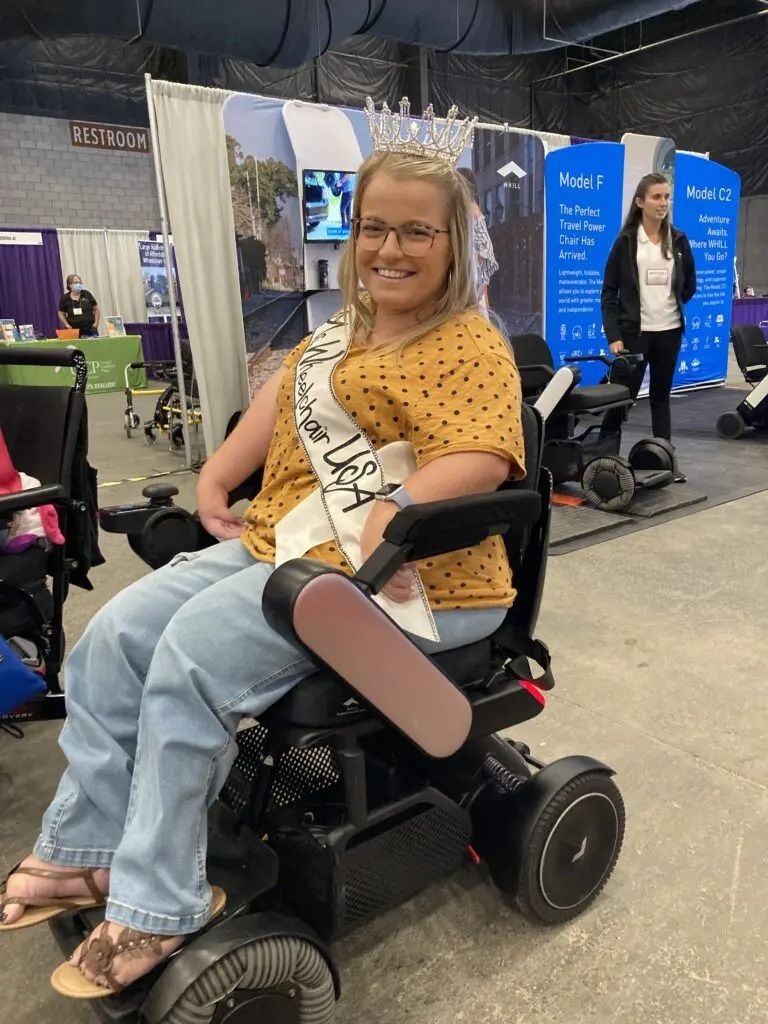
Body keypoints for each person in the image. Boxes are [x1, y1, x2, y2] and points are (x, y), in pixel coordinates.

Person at [0, 137, 525, 998]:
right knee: (114, 639)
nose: (389, 249)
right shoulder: (335, 333)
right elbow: (276, 406)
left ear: (455, 244)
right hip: (287, 549)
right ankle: (90, 851)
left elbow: (485, 455)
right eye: (373, 228)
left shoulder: (471, 343)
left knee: (193, 658)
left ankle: (161, 904)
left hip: (416, 578)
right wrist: (214, 473)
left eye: (416, 233)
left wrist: (398, 509)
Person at [601, 173, 696, 480]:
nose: (663, 203)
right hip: (634, 335)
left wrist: (673, 299)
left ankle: (665, 461)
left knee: (660, 397)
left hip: (669, 331)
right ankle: (604, 458)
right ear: (640, 202)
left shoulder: (678, 240)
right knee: (620, 398)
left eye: (667, 197)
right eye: (656, 197)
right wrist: (614, 335)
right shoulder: (627, 241)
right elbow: (608, 292)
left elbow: (689, 285)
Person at [456, 166, 499, 314]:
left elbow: (484, 251)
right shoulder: (472, 208)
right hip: (472, 277)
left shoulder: (468, 209)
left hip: (469, 276)